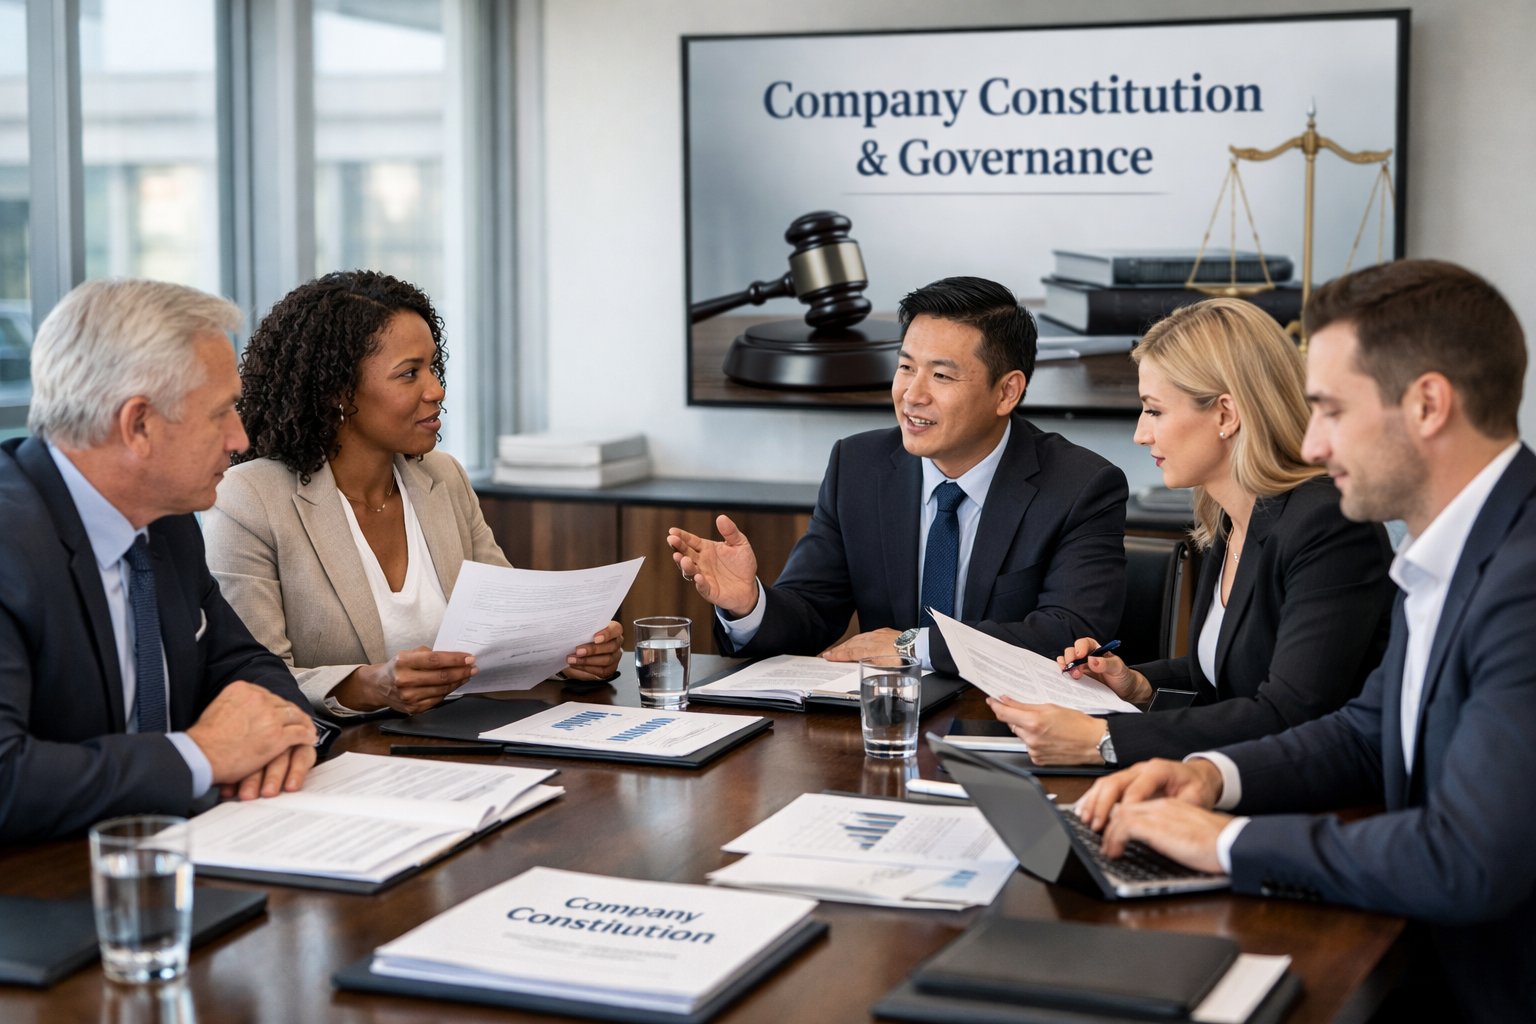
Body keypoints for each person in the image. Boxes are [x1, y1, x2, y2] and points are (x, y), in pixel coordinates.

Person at [1076, 260, 1536, 1020]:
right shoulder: (1456, 551)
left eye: (1329, 410)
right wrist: (1208, 779)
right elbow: (1365, 733)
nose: (1312, 444)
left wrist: (1224, 845)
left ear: (1426, 404)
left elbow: (1467, 859)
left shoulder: (1520, 581)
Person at [988, 299, 1394, 765]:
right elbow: (1226, 675)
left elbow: (1288, 714)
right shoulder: (1230, 517)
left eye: (1154, 411)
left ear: (1225, 414)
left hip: (1325, 805)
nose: (1141, 434)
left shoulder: (1328, 527)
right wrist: (1136, 685)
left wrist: (1100, 738)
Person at [202, 271, 622, 718]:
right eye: (409, 374)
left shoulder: (443, 478)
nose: (436, 390)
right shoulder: (250, 499)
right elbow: (249, 680)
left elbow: (509, 628)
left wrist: (571, 655)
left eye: (433, 367)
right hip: (339, 761)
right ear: (340, 392)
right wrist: (367, 686)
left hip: (464, 744)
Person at [667, 276, 1128, 674]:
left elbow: (1070, 631)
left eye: (942, 377)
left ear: (1007, 391)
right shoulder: (859, 466)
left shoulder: (1079, 485)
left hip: (1014, 733)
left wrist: (913, 646)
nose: (912, 394)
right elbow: (809, 616)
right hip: (885, 727)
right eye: (906, 367)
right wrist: (748, 604)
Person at [0, 279, 319, 842]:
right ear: (139, 424)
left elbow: (247, 665)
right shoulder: (10, 544)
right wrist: (198, 756)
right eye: (221, 413)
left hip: (185, 853)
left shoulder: (167, 518)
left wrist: (278, 737)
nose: (240, 439)